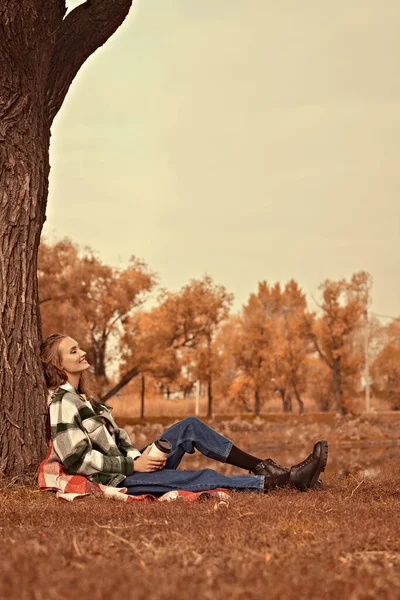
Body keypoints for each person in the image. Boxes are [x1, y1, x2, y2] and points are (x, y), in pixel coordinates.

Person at [40, 333, 328, 496]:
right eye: (73, 351)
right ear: (58, 364)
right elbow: (77, 459)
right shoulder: (63, 402)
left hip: (129, 466)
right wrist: (133, 468)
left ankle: (265, 467)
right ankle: (283, 481)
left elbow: (117, 444)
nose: (82, 352)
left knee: (189, 426)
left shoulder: (87, 399)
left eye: (79, 347)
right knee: (201, 476)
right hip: (118, 480)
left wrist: (140, 458)